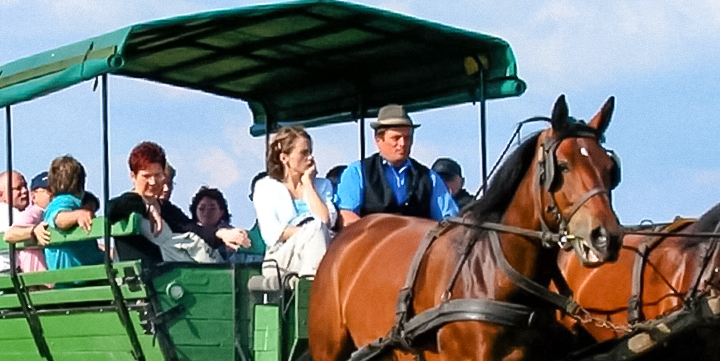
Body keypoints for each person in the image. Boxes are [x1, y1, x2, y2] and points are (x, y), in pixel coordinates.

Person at [106, 142, 249, 265]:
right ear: (133, 176)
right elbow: (112, 209)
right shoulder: (127, 203)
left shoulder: (165, 207)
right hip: (156, 281)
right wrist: (146, 206)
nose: (153, 182)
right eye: (146, 176)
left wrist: (222, 233)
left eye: (158, 175)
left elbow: (191, 228)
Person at [335, 104, 460, 224]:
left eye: (408, 138)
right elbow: (347, 217)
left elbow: (449, 220)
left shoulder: (430, 178)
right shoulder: (357, 173)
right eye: (396, 138)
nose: (403, 143)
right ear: (378, 140)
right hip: (373, 244)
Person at [254, 125, 337, 283]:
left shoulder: (322, 185)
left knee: (319, 229)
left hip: (320, 254)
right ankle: (311, 286)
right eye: (304, 153)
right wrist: (310, 233)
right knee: (316, 228)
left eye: (311, 152)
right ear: (284, 158)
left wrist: (308, 184)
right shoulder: (265, 187)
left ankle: (308, 281)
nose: (310, 158)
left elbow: (327, 220)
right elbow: (272, 233)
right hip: (280, 258)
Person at [41, 155, 102, 269]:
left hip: (73, 273)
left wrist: (88, 207)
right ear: (81, 182)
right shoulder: (65, 201)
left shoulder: (72, 201)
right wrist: (78, 215)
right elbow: (59, 219)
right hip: (82, 273)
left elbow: (92, 199)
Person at [0, 170, 47, 275]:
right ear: (1, 195)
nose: (24, 191)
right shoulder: (14, 218)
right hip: (11, 276)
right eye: (18, 188)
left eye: (25, 186)